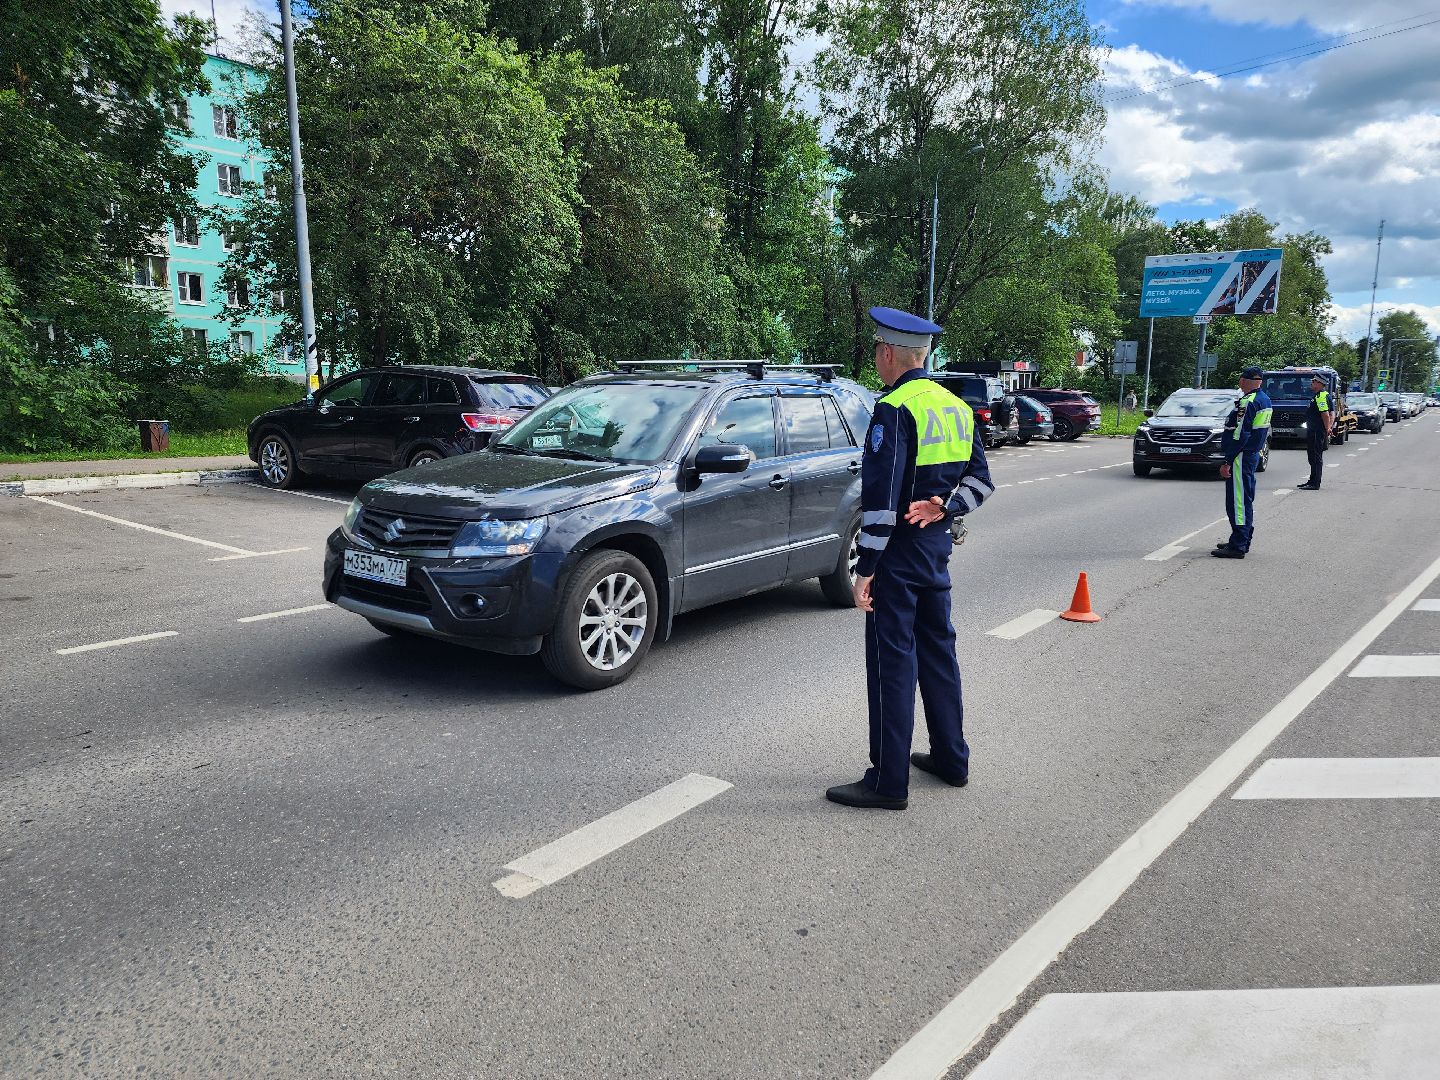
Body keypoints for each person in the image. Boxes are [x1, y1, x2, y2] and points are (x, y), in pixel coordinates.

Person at [825, 307, 995, 811]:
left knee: (891, 664)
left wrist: (866, 569)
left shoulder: (894, 408)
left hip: (898, 558)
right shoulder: (956, 406)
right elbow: (982, 481)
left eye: (878, 353)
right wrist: (946, 506)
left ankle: (887, 782)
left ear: (887, 354)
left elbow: (881, 500)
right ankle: (951, 759)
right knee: (939, 655)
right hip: (936, 552)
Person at [1213, 366, 1272, 560]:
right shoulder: (1264, 399)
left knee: (1238, 502)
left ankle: (1238, 545)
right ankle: (1241, 539)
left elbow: (1240, 433)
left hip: (1240, 456)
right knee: (1245, 499)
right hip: (1250, 455)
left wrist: (1228, 460)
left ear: (1243, 381)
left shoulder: (1248, 401)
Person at [1296, 374, 1332, 490]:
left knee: (1315, 457)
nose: (1311, 383)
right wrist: (1329, 427)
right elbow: (1332, 413)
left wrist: (1327, 428)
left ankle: (1315, 483)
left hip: (1317, 431)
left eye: (1313, 381)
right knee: (1313, 456)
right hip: (1315, 430)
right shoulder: (1323, 395)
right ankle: (1312, 480)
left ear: (1319, 383)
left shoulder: (1321, 396)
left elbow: (1325, 414)